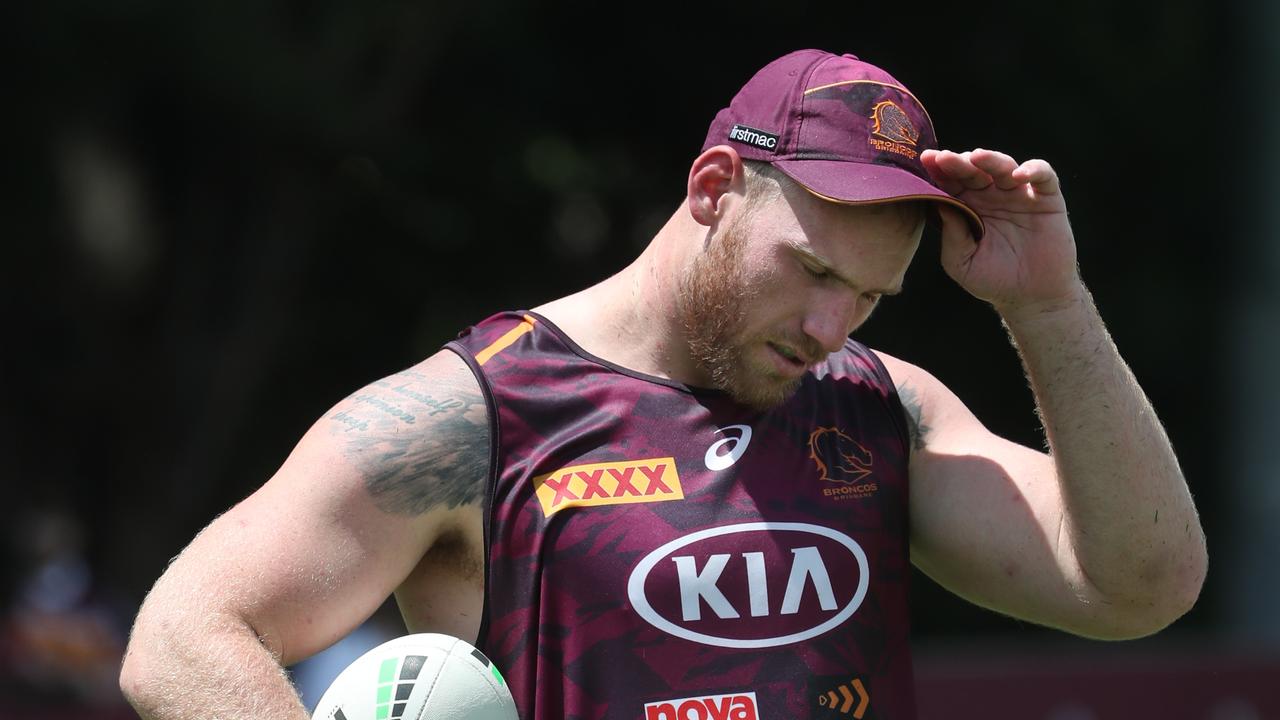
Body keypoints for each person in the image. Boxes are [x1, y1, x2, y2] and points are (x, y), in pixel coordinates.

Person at [119, 49, 1207, 720]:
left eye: (869, 299)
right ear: (714, 187)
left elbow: (1137, 586)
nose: (831, 326)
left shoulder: (878, 406)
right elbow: (185, 634)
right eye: (814, 273)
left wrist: (1048, 307)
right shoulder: (480, 414)